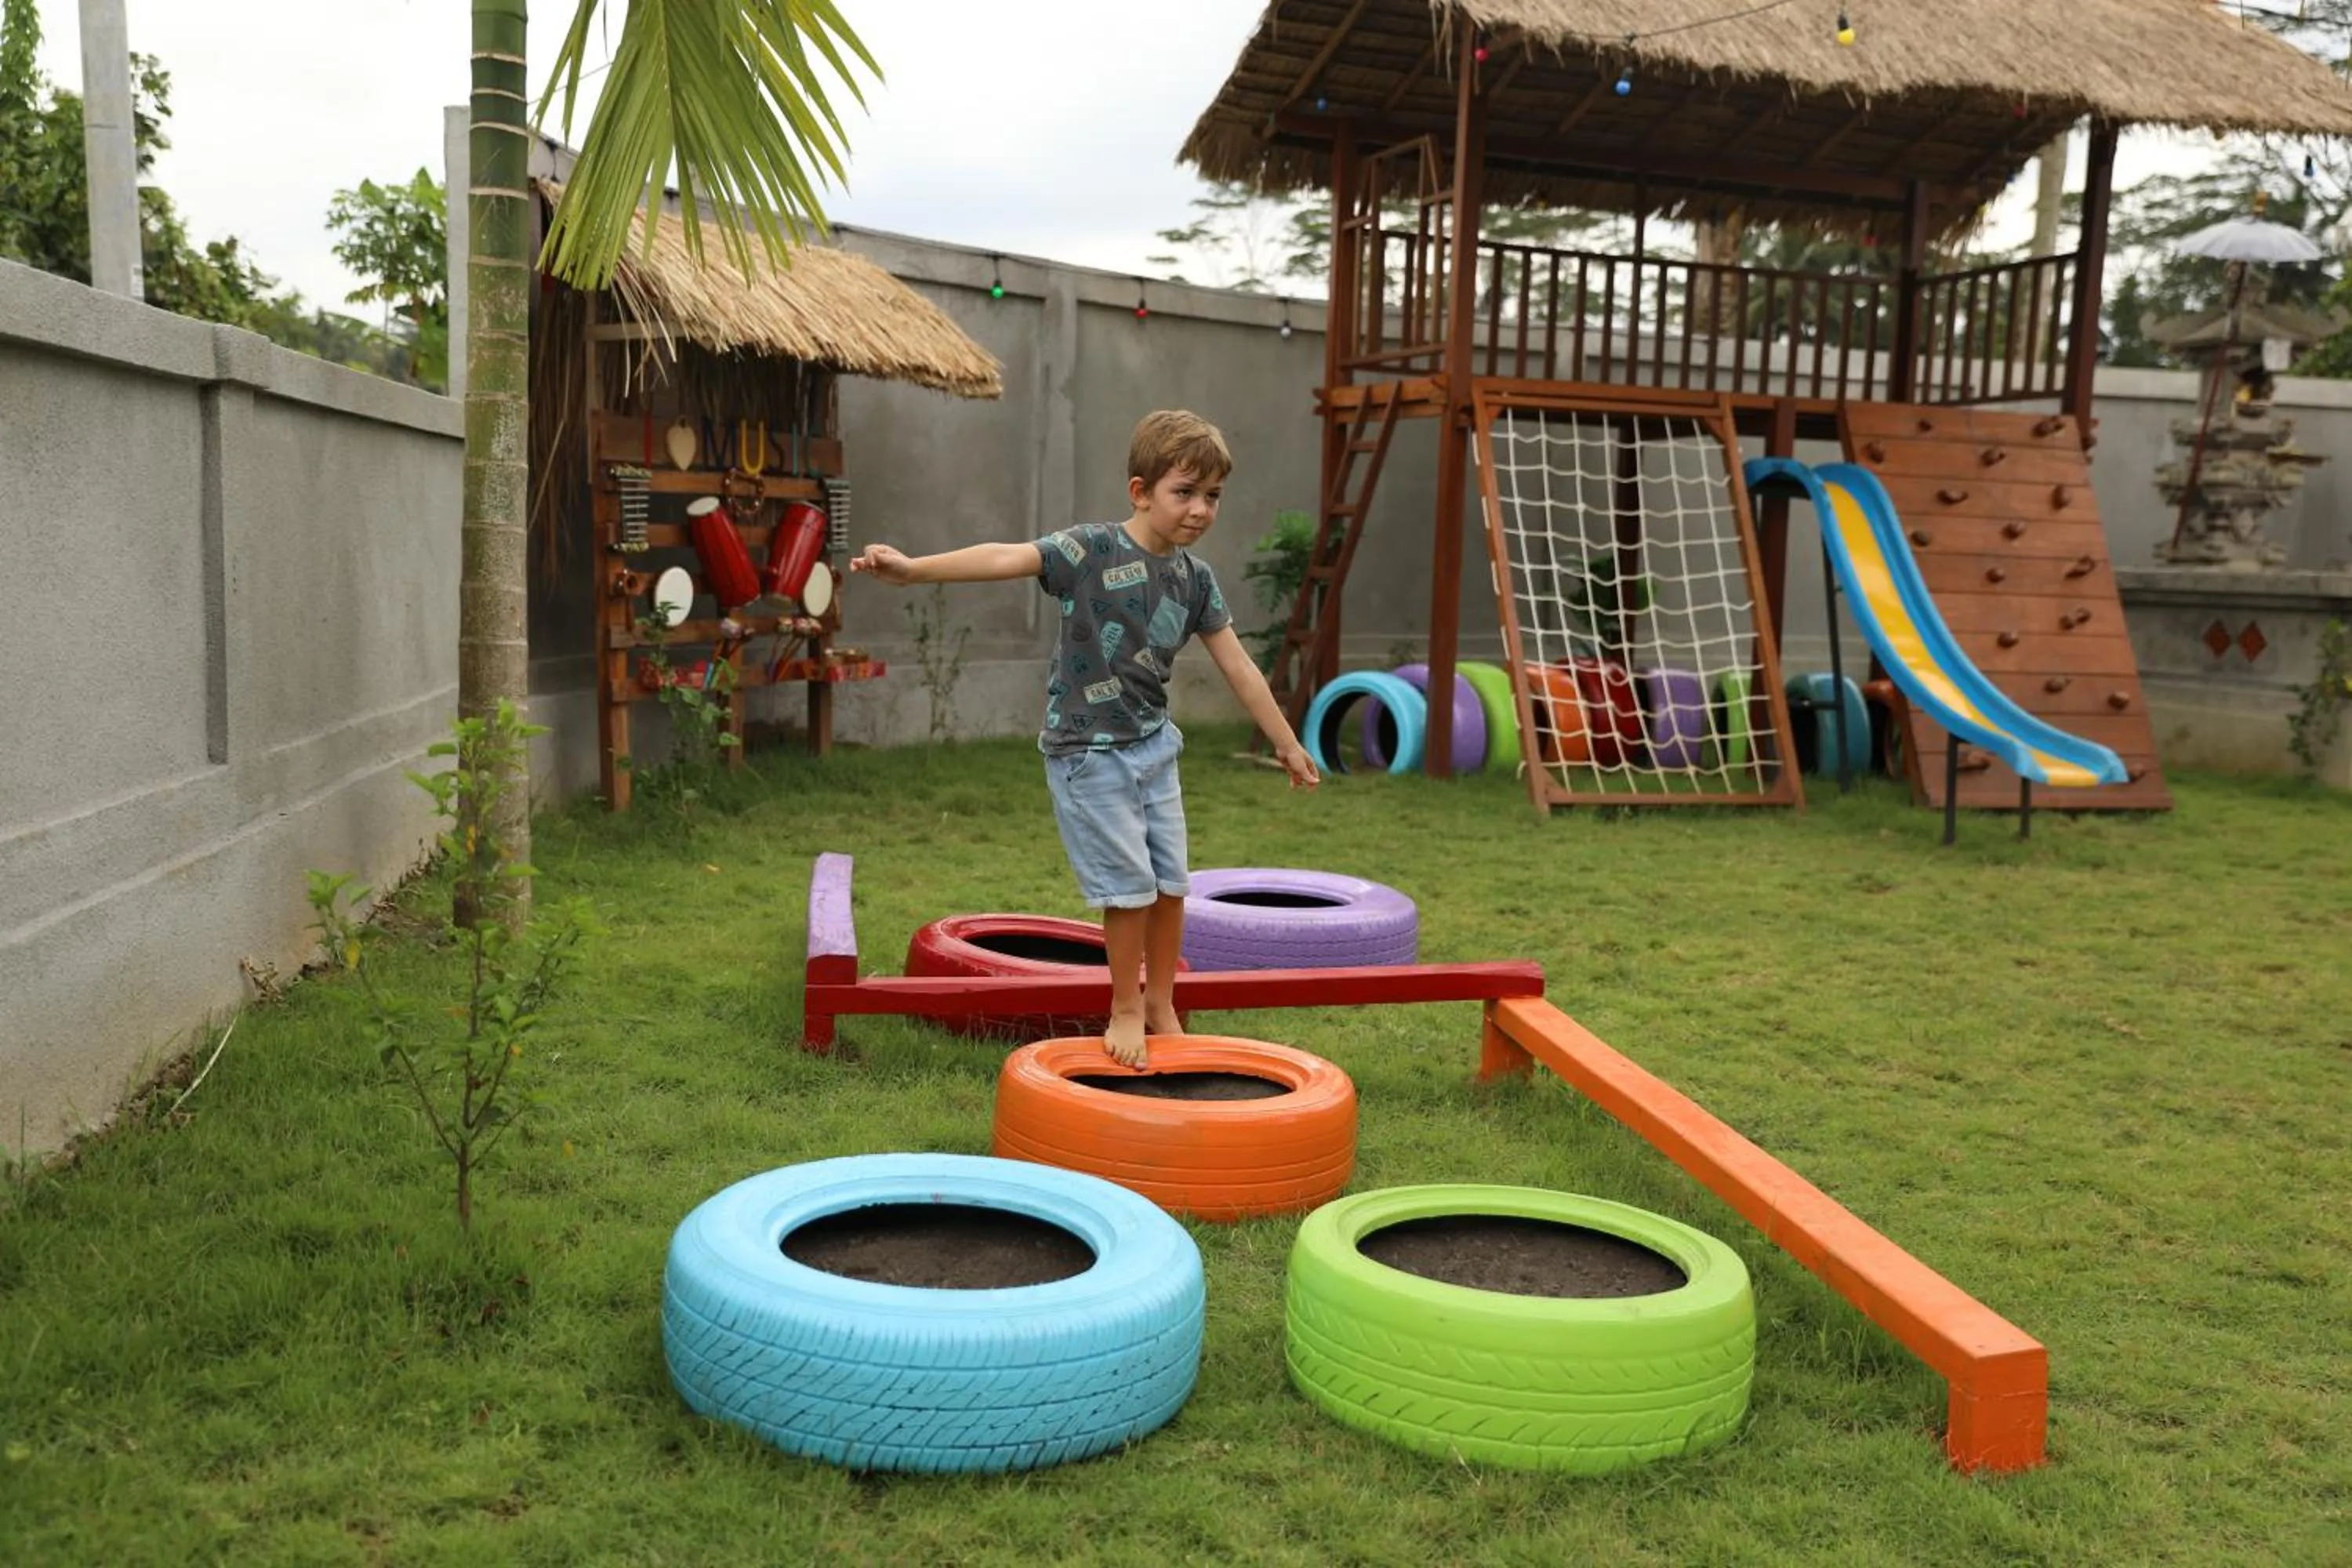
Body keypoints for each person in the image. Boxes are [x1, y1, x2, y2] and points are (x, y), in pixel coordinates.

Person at [850, 409, 1319, 1068]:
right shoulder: (1089, 551)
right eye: (1184, 493)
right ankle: (1125, 1007)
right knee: (1127, 890)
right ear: (1141, 491)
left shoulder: (1195, 580)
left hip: (1155, 748)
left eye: (1212, 496)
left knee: (1171, 884)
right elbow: (1006, 556)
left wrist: (1286, 742)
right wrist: (913, 570)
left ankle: (1160, 1002)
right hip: (1088, 753)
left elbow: (1237, 665)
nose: (1200, 510)